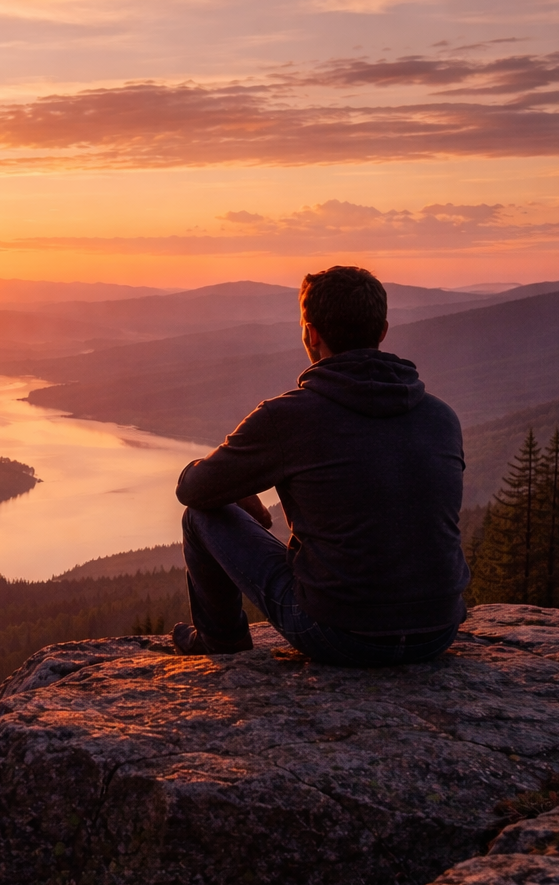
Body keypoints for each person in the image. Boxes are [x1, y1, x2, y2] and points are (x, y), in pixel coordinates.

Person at [172, 265, 469, 666]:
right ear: (382, 331)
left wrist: (236, 487)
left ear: (311, 333)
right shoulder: (441, 416)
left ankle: (220, 641)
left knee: (199, 517)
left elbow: (193, 489)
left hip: (338, 635)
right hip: (437, 633)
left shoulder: (289, 416)